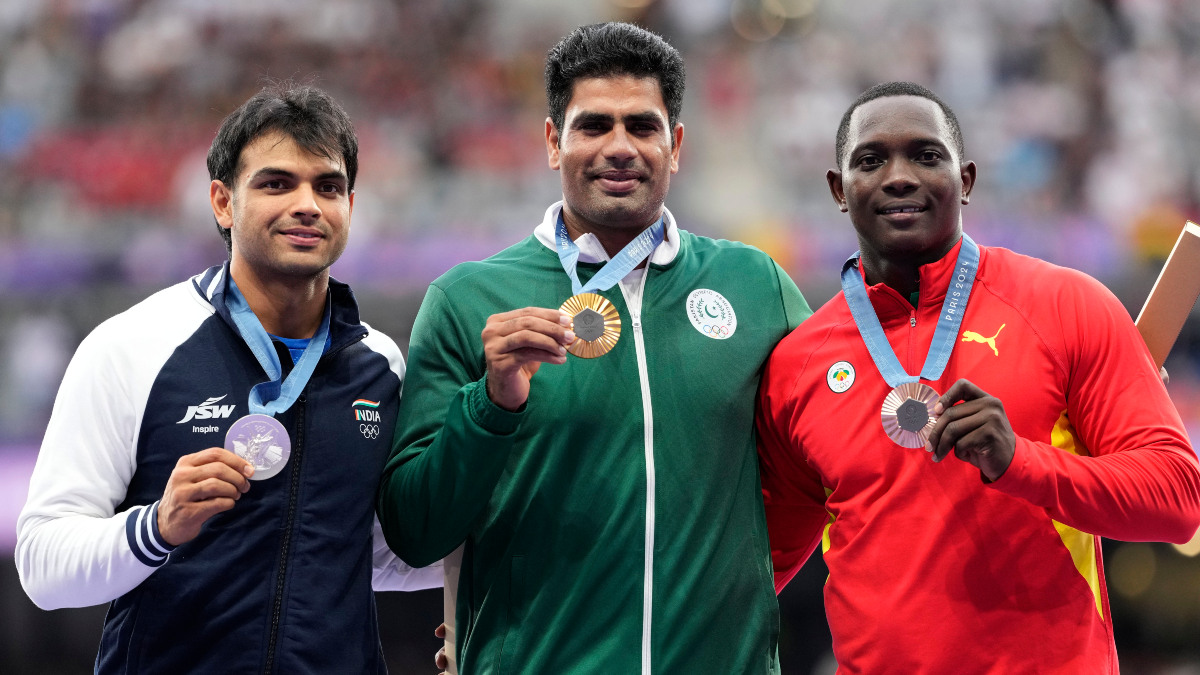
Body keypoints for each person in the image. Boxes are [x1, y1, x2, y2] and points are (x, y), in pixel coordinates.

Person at [376, 22, 811, 674]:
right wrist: (490, 403)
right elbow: (414, 532)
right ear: (553, 142)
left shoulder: (757, 287)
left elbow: (821, 466)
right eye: (593, 126)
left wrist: (733, 582)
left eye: (642, 126)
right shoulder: (467, 300)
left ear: (677, 145)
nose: (620, 148)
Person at [756, 81, 1200, 674]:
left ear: (965, 179)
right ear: (839, 189)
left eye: (925, 154)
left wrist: (1021, 463)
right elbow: (762, 567)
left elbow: (1176, 499)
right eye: (870, 160)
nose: (899, 176)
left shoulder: (1067, 304)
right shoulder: (798, 364)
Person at [15, 82, 440, 673]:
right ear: (222, 201)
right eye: (276, 183)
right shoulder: (132, 347)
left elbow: (369, 555)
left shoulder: (380, 363)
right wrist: (156, 528)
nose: (307, 205)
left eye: (329, 186)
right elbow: (42, 567)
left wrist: (479, 581)